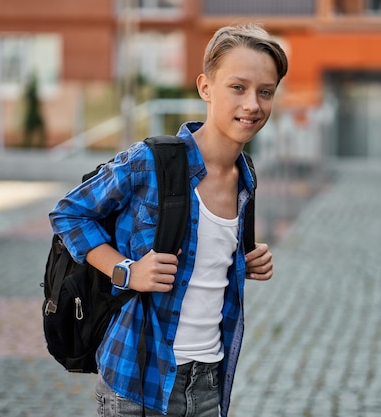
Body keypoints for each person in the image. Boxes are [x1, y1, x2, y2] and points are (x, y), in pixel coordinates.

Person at [49, 23, 288, 417]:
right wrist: (126, 271)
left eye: (266, 91)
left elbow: (199, 262)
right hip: (138, 381)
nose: (253, 104)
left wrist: (242, 261)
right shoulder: (154, 162)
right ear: (205, 87)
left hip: (209, 380)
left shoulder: (245, 176)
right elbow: (69, 212)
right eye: (238, 87)